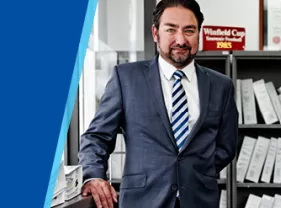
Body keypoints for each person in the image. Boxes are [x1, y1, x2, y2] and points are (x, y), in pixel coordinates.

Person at [78, 0, 238, 207]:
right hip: (143, 201)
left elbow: (226, 147)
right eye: (171, 29)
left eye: (189, 30)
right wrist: (94, 175)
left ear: (199, 33)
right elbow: (97, 136)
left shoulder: (221, 85)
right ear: (155, 33)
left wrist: (195, 172)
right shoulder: (126, 78)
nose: (180, 40)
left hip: (200, 200)